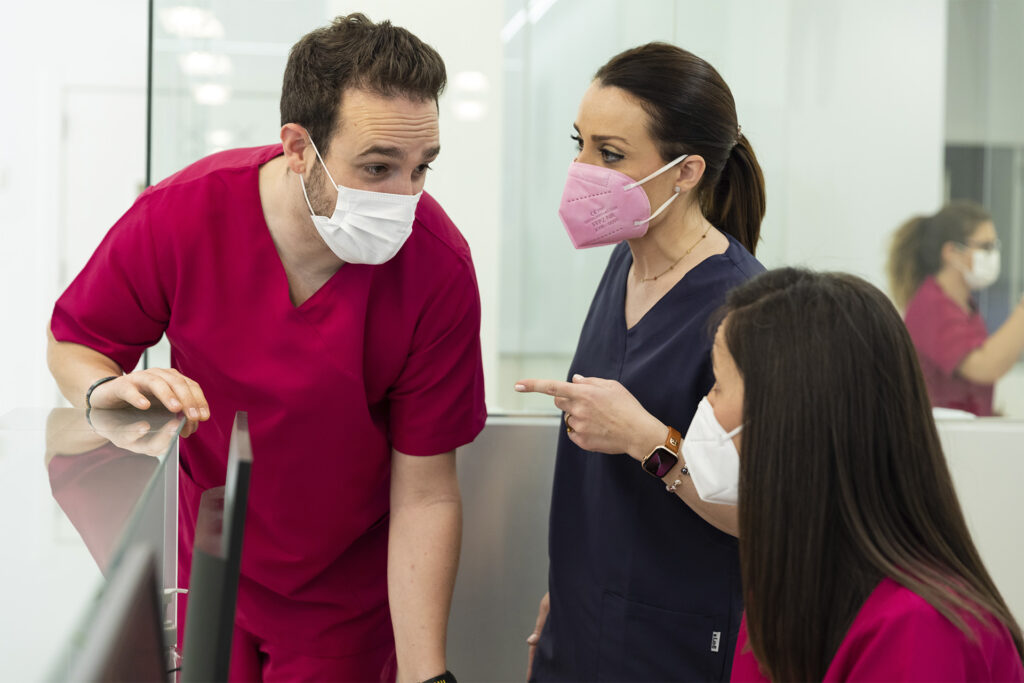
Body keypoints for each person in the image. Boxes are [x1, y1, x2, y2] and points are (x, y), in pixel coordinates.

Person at [46, 14, 484, 682]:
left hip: (342, 595)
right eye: (376, 167)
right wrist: (105, 391)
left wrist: (429, 675)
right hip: (210, 561)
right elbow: (74, 341)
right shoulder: (186, 215)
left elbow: (425, 491)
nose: (405, 198)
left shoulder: (437, 268)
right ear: (298, 147)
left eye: (420, 168)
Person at [516, 43, 766, 681]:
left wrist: (645, 439)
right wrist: (567, 598)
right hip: (579, 631)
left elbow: (770, 515)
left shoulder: (743, 308)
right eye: (580, 143)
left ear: (685, 173)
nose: (581, 168)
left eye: (610, 153)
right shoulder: (622, 266)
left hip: (672, 644)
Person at [714, 268, 1024, 682]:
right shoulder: (786, 588)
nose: (706, 407)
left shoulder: (918, 629)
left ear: (788, 418)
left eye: (717, 386)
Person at [887, 200, 1024, 416]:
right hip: (943, 435)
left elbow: (990, 367)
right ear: (951, 252)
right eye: (985, 247)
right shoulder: (931, 305)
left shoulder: (965, 306)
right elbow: (983, 366)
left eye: (994, 246)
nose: (993, 255)